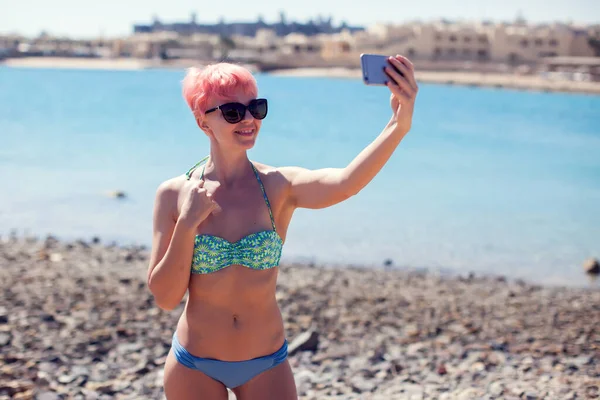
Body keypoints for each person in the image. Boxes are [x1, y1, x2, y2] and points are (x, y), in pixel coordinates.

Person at [147, 55, 418, 400]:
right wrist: (187, 223)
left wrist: (398, 125)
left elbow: (346, 182)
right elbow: (165, 297)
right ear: (203, 122)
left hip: (266, 363)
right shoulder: (175, 194)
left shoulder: (279, 186)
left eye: (256, 108)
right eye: (233, 112)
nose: (248, 119)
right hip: (194, 363)